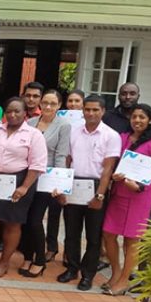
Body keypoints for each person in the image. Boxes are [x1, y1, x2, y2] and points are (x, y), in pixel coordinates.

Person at [0, 98, 48, 278]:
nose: (12, 115)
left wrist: (24, 187)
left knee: (12, 223)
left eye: (17, 111)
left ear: (25, 113)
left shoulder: (34, 134)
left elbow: (37, 165)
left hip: (19, 180)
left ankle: (4, 262)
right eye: (9, 111)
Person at [56, 95, 121, 291]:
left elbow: (108, 169)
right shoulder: (74, 132)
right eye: (87, 109)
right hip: (75, 184)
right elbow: (67, 160)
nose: (91, 113)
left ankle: (88, 274)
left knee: (93, 236)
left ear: (103, 111)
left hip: (96, 187)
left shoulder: (111, 135)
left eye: (95, 110)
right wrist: (64, 187)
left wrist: (100, 195)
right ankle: (72, 268)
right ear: (82, 111)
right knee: (71, 233)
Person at [102, 103, 151, 296]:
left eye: (142, 117)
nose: (137, 120)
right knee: (108, 233)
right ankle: (115, 272)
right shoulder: (122, 138)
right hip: (118, 194)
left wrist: (140, 186)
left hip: (139, 197)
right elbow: (112, 162)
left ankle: (123, 281)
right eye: (134, 117)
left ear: (150, 120)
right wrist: (113, 175)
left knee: (132, 240)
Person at [19, 90, 70, 278]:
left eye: (53, 103)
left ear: (59, 105)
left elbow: (61, 155)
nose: (48, 107)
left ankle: (40, 260)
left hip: (47, 179)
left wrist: (59, 184)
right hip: (28, 177)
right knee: (24, 219)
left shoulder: (63, 126)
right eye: (45, 103)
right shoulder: (31, 123)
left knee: (35, 220)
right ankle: (27, 255)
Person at [46, 88, 85, 261]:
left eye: (77, 101)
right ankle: (52, 246)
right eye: (71, 101)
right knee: (54, 211)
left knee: (71, 216)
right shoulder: (58, 121)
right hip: (59, 170)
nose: (73, 104)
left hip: (77, 173)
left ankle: (70, 252)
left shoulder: (86, 123)